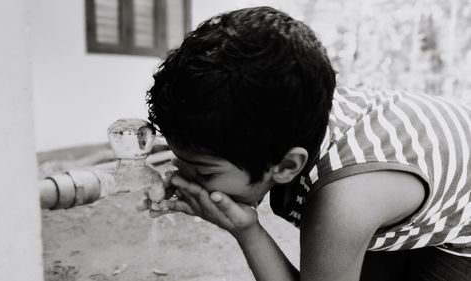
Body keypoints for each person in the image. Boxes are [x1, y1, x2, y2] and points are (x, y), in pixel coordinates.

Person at [142, 6, 471, 281]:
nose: (183, 179)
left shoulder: (344, 203)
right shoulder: (286, 106)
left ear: (286, 166)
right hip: (425, 167)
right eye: (178, 160)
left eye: (203, 171)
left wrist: (247, 231)